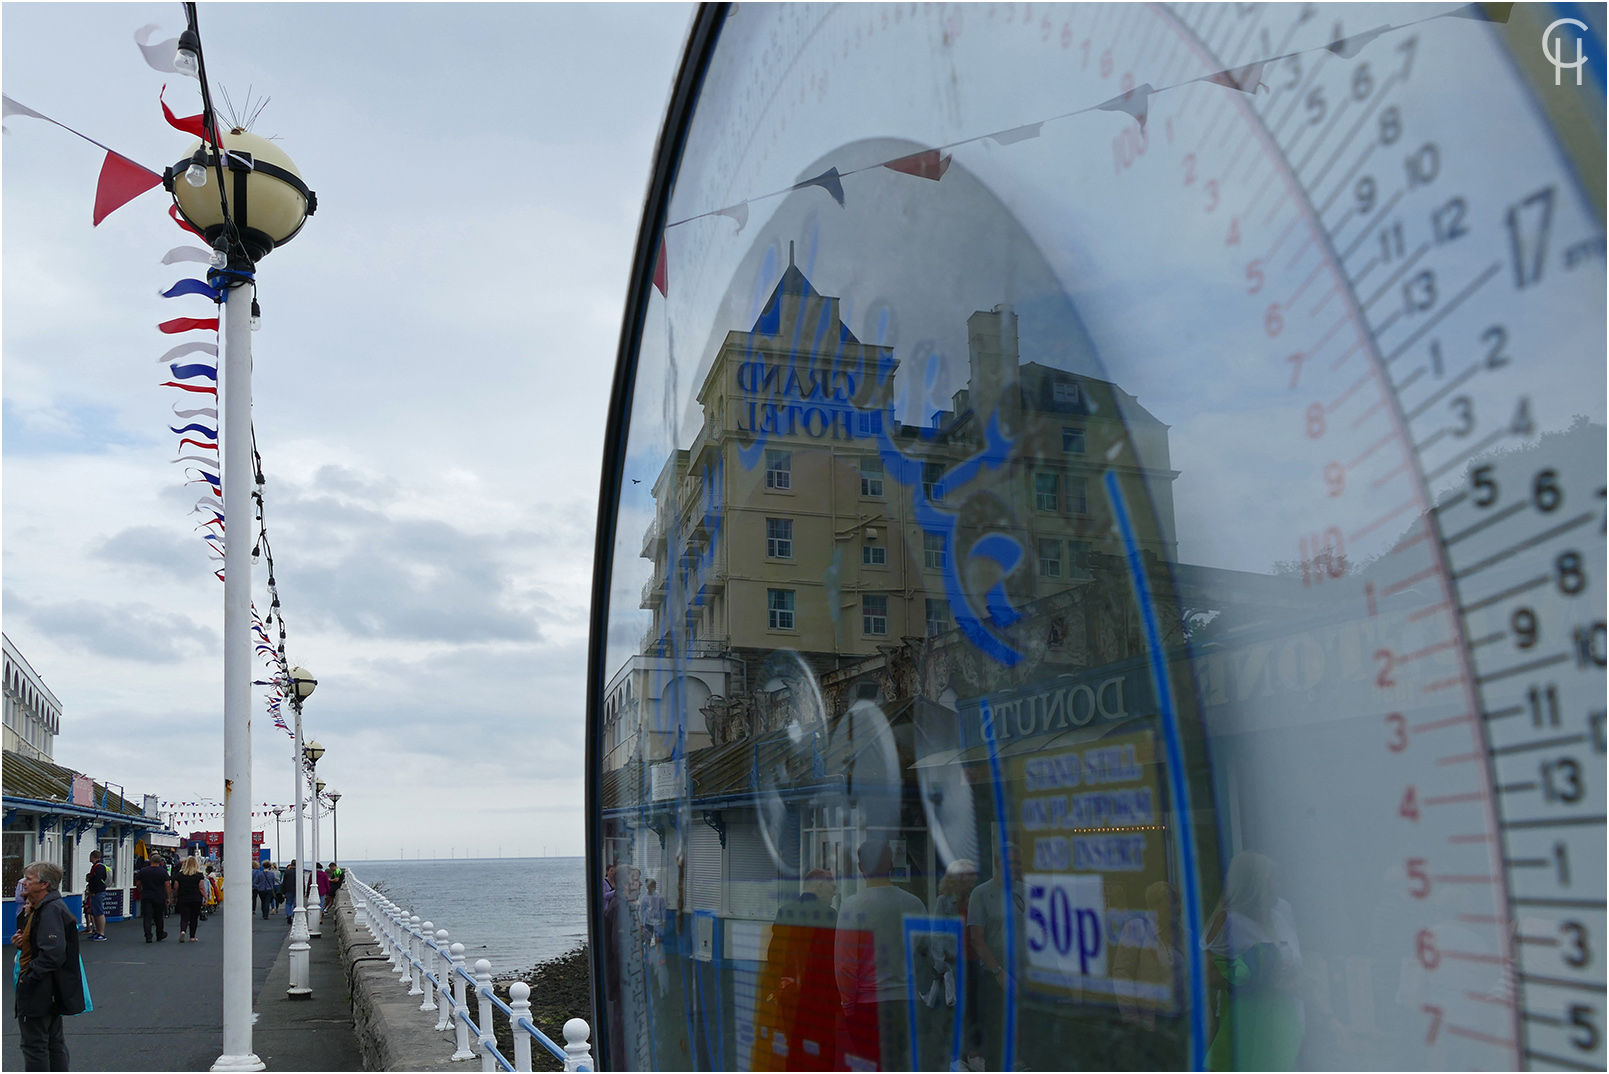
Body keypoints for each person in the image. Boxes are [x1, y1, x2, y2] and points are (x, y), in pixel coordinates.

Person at [1203, 852, 1303, 1071]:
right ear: (1252, 882)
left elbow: (1298, 960)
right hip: (1250, 1026)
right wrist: (1256, 972)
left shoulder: (1283, 912)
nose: (1278, 884)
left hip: (1291, 1021)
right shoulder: (1228, 920)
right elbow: (1205, 974)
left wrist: (1297, 978)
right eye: (1272, 878)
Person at [834, 839, 925, 1072]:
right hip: (907, 1003)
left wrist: (848, 1006)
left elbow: (845, 965)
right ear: (892, 864)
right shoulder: (915, 904)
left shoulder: (852, 907)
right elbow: (925, 955)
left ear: (860, 867)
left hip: (868, 1006)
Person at [756, 868, 838, 1071]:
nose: (834, 892)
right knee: (823, 1052)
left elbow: (774, 955)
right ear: (819, 886)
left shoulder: (786, 911)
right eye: (832, 887)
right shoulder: (829, 915)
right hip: (822, 999)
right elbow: (833, 959)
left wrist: (783, 985)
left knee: (795, 1048)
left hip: (792, 995)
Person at [12, 861, 88, 1071]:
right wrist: (24, 942)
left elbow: (53, 953)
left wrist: (28, 977)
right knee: (53, 1042)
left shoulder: (50, 910)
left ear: (44, 884)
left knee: (35, 1045)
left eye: (29, 879)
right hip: (52, 988)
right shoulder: (44, 908)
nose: (23, 883)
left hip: (41, 988)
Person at [968, 842, 1024, 1072]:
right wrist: (998, 972)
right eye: (1010, 862)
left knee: (1024, 1034)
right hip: (995, 976)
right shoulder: (981, 893)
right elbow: (977, 938)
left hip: (1024, 973)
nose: (1014, 867)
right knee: (997, 1035)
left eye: (1017, 863)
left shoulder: (1027, 891)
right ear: (998, 863)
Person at [135, 854, 173, 943]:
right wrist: (168, 897)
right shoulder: (163, 872)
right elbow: (167, 885)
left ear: (150, 861)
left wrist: (141, 891)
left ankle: (148, 936)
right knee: (159, 916)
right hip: (159, 896)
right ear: (160, 862)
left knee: (147, 916)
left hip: (146, 896)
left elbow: (138, 883)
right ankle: (160, 934)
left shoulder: (143, 871)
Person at [175, 857, 206, 943]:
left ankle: (183, 930)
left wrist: (175, 896)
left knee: (184, 916)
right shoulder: (199, 875)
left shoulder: (180, 875)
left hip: (183, 898)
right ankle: (192, 937)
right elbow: (201, 888)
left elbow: (176, 887)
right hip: (196, 898)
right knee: (194, 917)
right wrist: (206, 897)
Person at [83, 851, 108, 942]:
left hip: (97, 892)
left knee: (99, 912)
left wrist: (92, 884)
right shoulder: (97, 867)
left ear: (92, 856)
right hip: (96, 892)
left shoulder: (98, 867)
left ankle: (101, 933)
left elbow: (98, 880)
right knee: (95, 912)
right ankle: (97, 932)